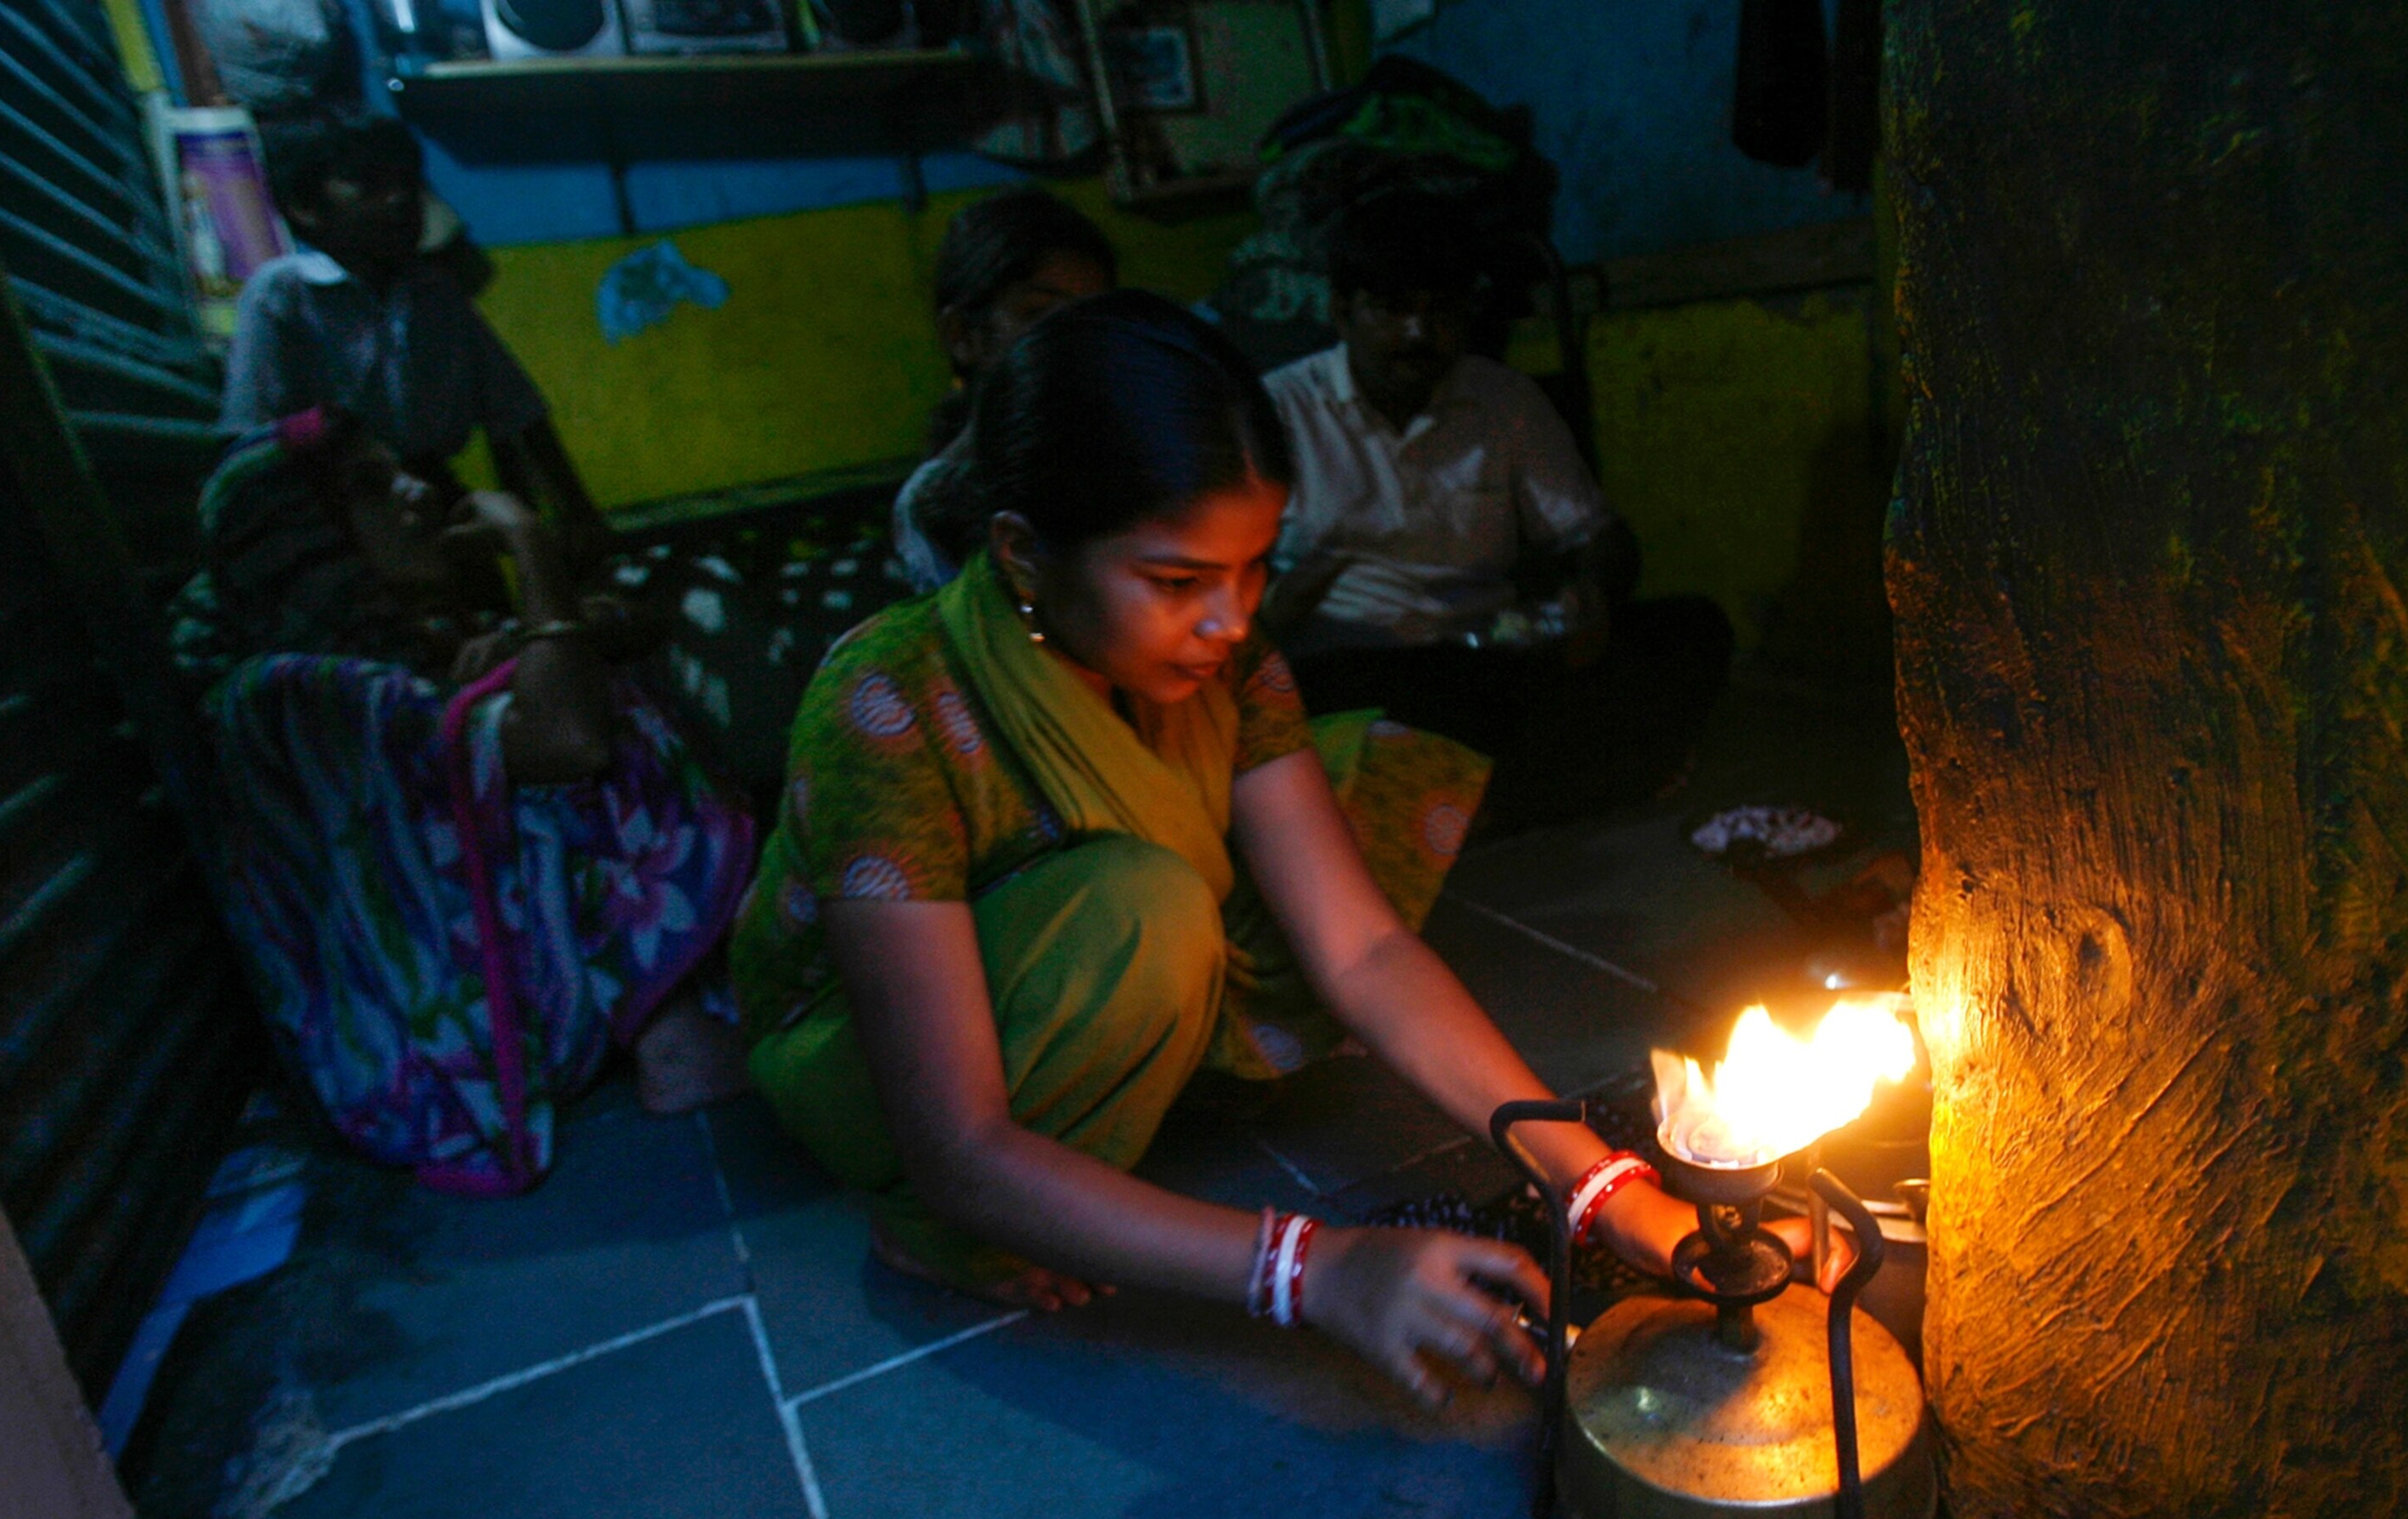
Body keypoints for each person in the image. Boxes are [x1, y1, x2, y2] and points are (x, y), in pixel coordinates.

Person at [731, 292, 1813, 1407]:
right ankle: (941, 1235)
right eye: (1176, 582)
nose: (1232, 620)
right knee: (1142, 909)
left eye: (1253, 569)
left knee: (1355, 801)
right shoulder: (889, 699)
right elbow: (957, 1138)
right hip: (869, 1061)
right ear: (1021, 554)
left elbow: (1363, 954)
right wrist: (1315, 1268)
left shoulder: (1233, 671)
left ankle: (1076, 1171)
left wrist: (1599, 1187)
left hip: (1053, 989)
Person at [170, 408, 756, 1196]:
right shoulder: (287, 690)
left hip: (482, 982)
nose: (417, 495)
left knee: (589, 685)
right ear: (305, 537)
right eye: (371, 489)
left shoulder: (370, 655)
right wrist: (526, 542)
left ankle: (681, 1011)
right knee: (595, 737)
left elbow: (595, 653)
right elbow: (569, 741)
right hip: (429, 1045)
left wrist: (513, 662)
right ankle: (674, 1039)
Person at [1259, 189, 1735, 828]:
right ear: (1343, 312)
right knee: (1317, 711)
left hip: (1485, 657)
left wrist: (1592, 594)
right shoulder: (1279, 410)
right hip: (1353, 672)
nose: (1418, 334)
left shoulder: (1503, 400)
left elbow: (1598, 536)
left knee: (1692, 630)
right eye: (1393, 309)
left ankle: (1461, 806)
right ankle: (1524, 794)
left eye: (1442, 310)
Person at [222, 113, 606, 561]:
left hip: (440, 505)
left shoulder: (434, 292)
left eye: (408, 183)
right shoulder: (283, 293)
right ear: (305, 206)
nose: (400, 200)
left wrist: (579, 515)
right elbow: (248, 442)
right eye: (369, 185)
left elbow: (519, 413)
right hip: (336, 517)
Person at [891, 184, 1118, 592]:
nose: (1074, 337)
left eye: (1092, 314)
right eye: (1040, 314)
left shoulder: (1127, 441)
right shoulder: (932, 501)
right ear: (961, 335)